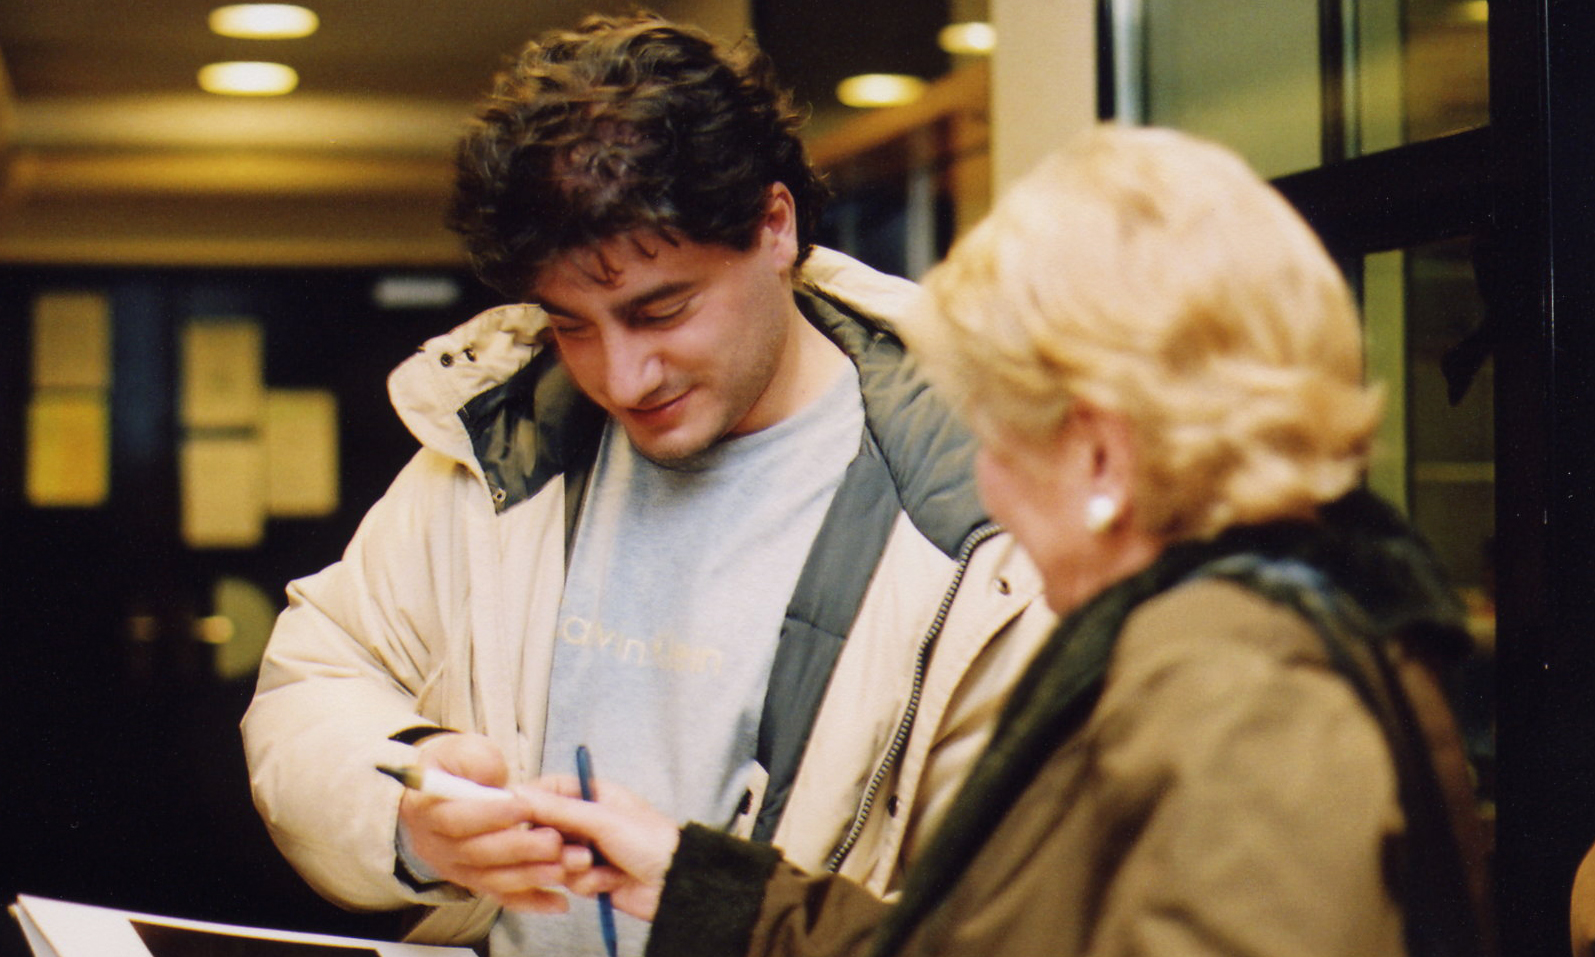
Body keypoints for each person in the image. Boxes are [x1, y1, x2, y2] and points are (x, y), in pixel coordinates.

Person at [517, 126, 1493, 957]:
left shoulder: (1232, 687)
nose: (982, 480)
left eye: (991, 432)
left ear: (1102, 456)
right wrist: (701, 889)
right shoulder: (1258, 630)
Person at [240, 12, 1055, 956]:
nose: (622, 377)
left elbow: (1018, 916)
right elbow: (316, 676)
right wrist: (408, 804)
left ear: (775, 225)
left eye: (659, 310)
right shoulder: (506, 439)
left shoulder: (980, 505)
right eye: (572, 325)